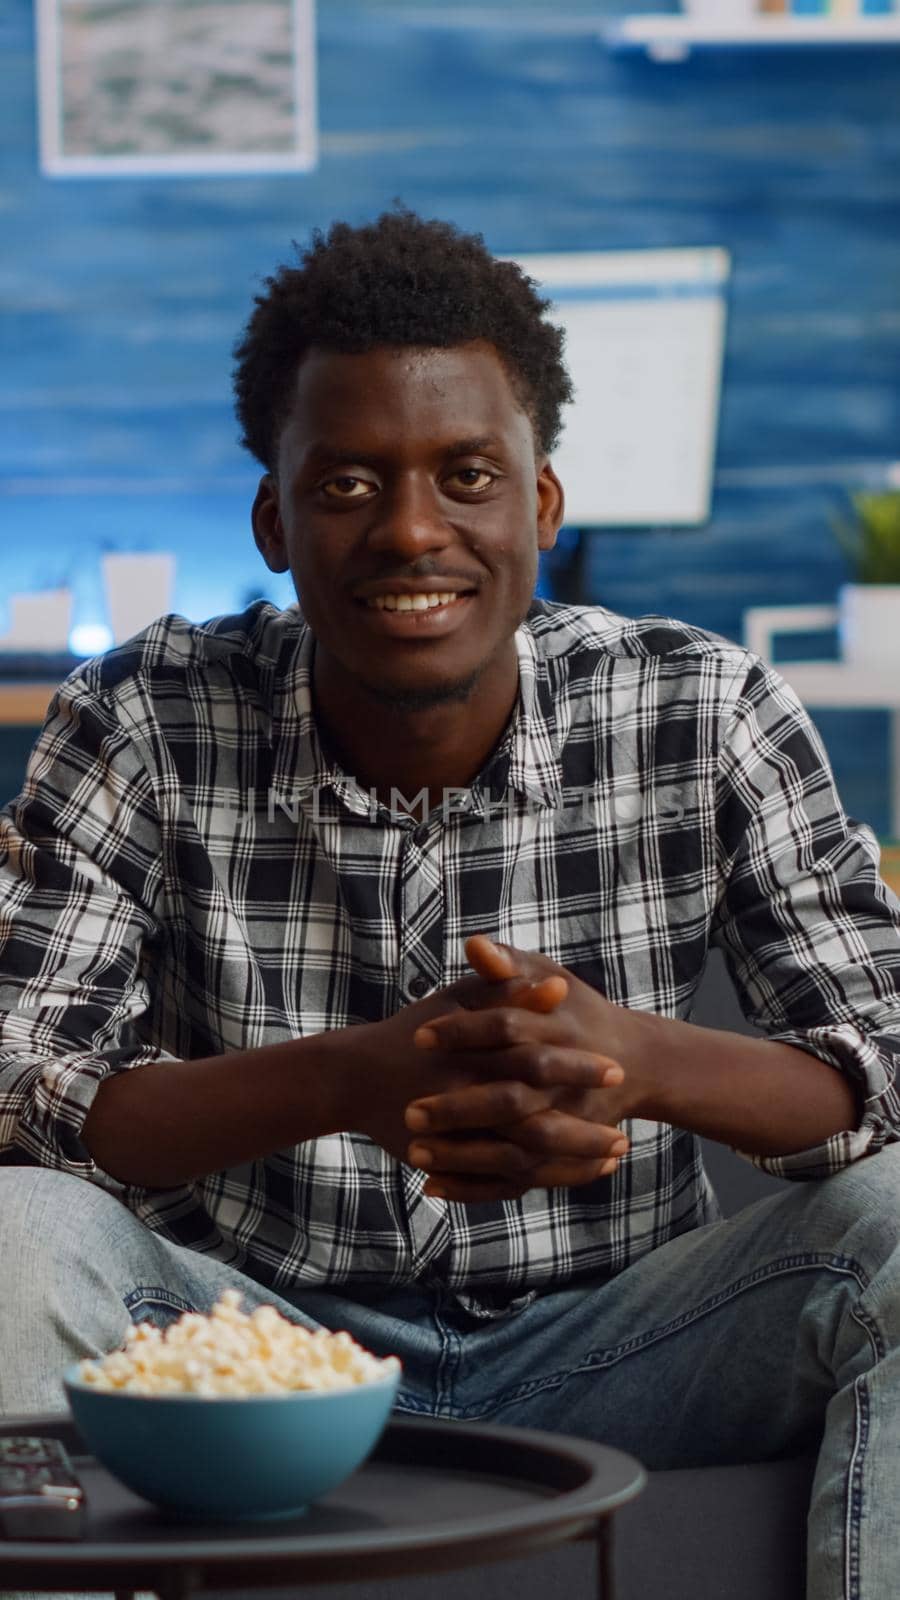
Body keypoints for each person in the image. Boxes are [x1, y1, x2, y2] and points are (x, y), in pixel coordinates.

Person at [1, 208, 899, 1600]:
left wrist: (637, 1063)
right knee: (15, 1233)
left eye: (466, 475)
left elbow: (884, 1063)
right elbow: (19, 1084)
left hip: (622, 1347)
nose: (414, 531)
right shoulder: (141, 717)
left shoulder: (704, 704)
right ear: (276, 520)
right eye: (350, 484)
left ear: (538, 504)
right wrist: (356, 1079)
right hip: (248, 1353)